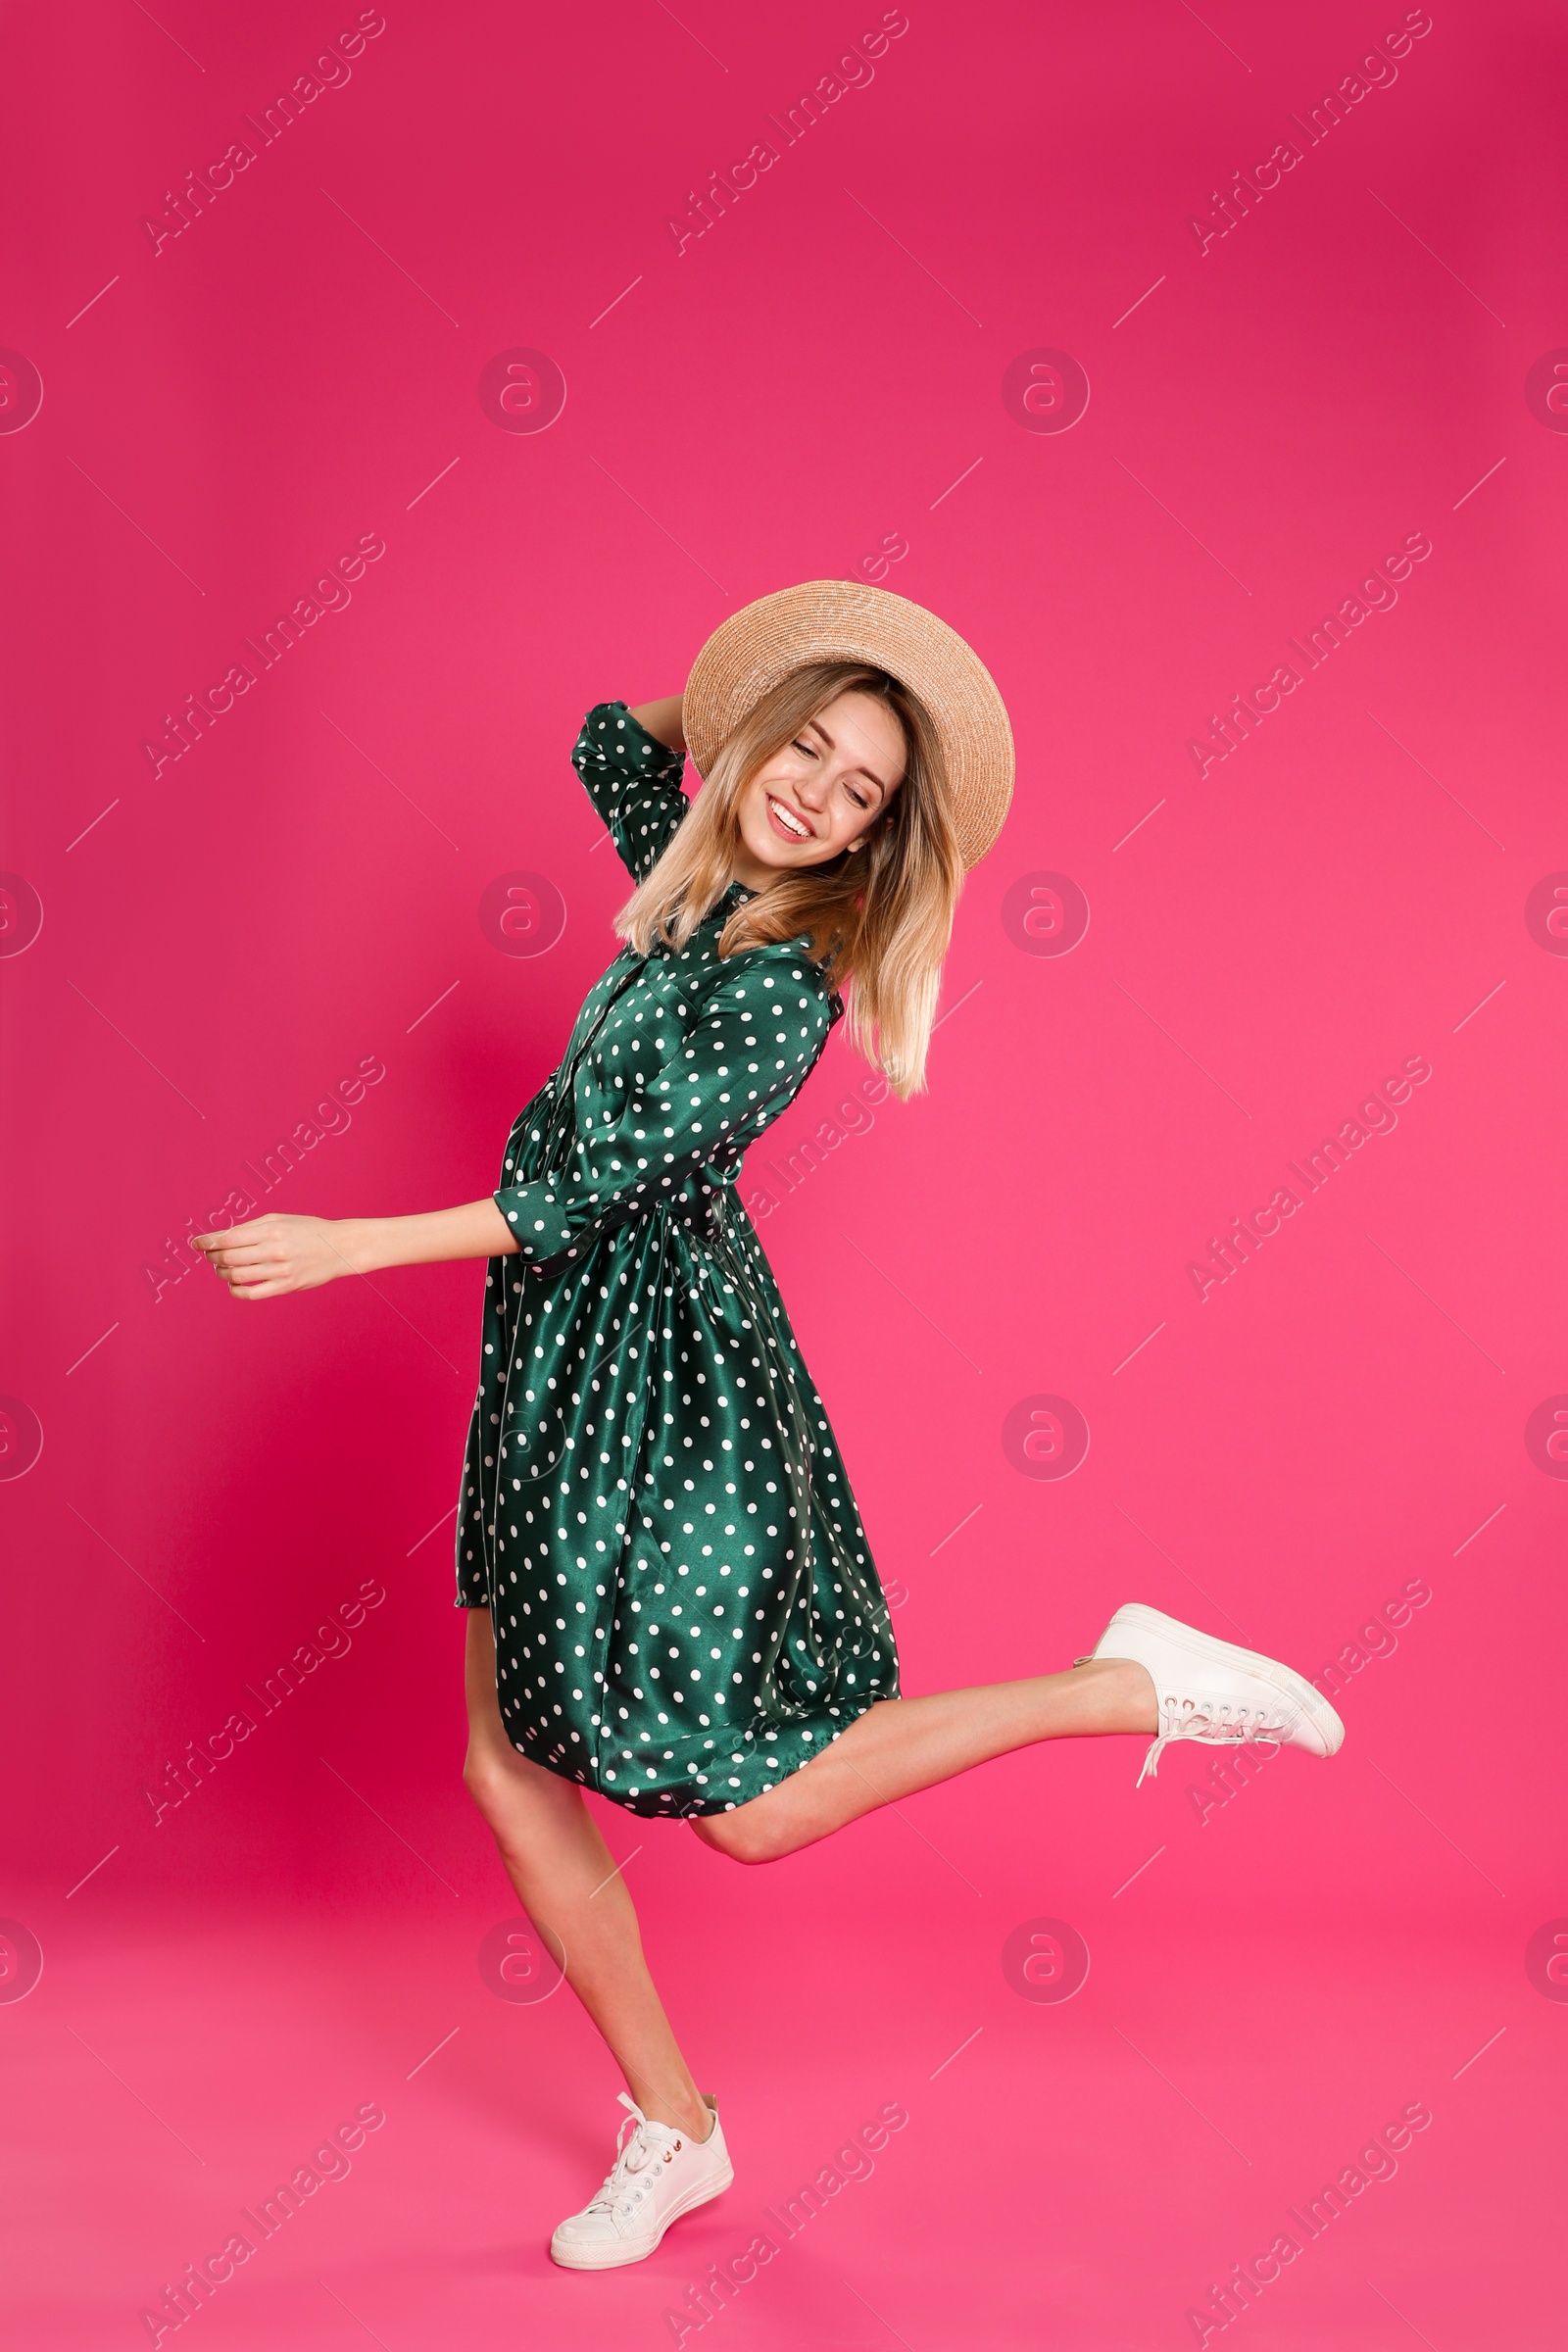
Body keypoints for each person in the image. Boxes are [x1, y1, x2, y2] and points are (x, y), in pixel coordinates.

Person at [192, 581, 1344, 2273]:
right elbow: (609, 738)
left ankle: (1125, 1683)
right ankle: (677, 2131)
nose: (814, 793)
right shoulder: (705, 875)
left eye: (860, 790)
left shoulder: (783, 984)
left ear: (881, 844)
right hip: (557, 1373)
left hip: (665, 1390)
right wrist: (752, 694)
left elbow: (575, 1189)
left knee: (745, 1804)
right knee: (507, 1774)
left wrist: (346, 1243)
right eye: (804, 749)